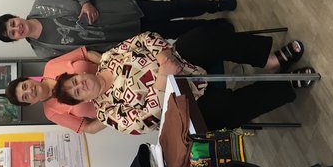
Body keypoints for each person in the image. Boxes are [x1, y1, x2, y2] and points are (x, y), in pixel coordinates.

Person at [53, 25, 315, 135]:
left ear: (81, 73)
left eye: (75, 81)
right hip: (180, 101)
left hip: (179, 62)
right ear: (83, 100)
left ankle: (270, 61)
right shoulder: (106, 111)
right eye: (77, 93)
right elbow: (143, 123)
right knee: (214, 117)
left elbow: (143, 38)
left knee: (201, 39)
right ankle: (283, 85)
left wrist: (164, 56)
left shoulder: (109, 58)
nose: (80, 86)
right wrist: (162, 78)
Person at [0, 0, 237, 58]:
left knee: (170, 8)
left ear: (15, 17)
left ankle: (215, 5)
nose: (16, 28)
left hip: (117, 10)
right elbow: (81, 55)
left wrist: (86, 3)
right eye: (12, 33)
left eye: (12, 23)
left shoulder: (41, 2)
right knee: (171, 31)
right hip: (119, 37)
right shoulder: (43, 51)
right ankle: (215, 27)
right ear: (15, 39)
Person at [4, 47, 106, 134]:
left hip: (111, 71)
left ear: (28, 79)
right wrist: (111, 115)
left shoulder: (51, 65)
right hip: (113, 102)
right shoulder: (51, 113)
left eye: (24, 86)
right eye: (25, 97)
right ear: (30, 103)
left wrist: (108, 67)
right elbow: (88, 128)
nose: (30, 91)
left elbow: (86, 54)